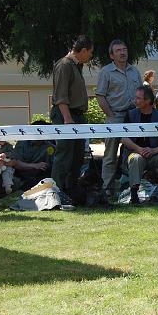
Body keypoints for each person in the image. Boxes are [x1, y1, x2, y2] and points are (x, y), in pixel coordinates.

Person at [95, 39, 142, 200]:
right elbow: (100, 96)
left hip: (133, 116)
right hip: (115, 116)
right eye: (118, 50)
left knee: (134, 152)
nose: (122, 52)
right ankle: (107, 190)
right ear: (111, 55)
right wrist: (110, 115)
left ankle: (132, 189)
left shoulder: (134, 71)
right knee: (110, 155)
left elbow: (141, 94)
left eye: (124, 49)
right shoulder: (106, 72)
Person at [50, 35, 93, 196]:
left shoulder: (76, 66)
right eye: (90, 52)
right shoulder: (64, 65)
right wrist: (68, 120)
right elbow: (61, 96)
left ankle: (71, 191)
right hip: (66, 116)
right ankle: (56, 193)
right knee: (64, 155)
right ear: (82, 51)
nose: (90, 56)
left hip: (76, 116)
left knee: (77, 156)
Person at [121, 85, 158, 205]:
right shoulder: (130, 115)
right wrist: (139, 149)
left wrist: (154, 150)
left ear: (148, 101)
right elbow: (124, 139)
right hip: (135, 153)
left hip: (155, 154)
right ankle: (134, 195)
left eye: (138, 98)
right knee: (135, 159)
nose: (135, 100)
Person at [11, 120, 54, 189]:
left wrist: (46, 165)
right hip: (21, 174)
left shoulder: (49, 146)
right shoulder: (22, 143)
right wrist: (35, 166)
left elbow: (53, 164)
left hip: (39, 176)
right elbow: (15, 163)